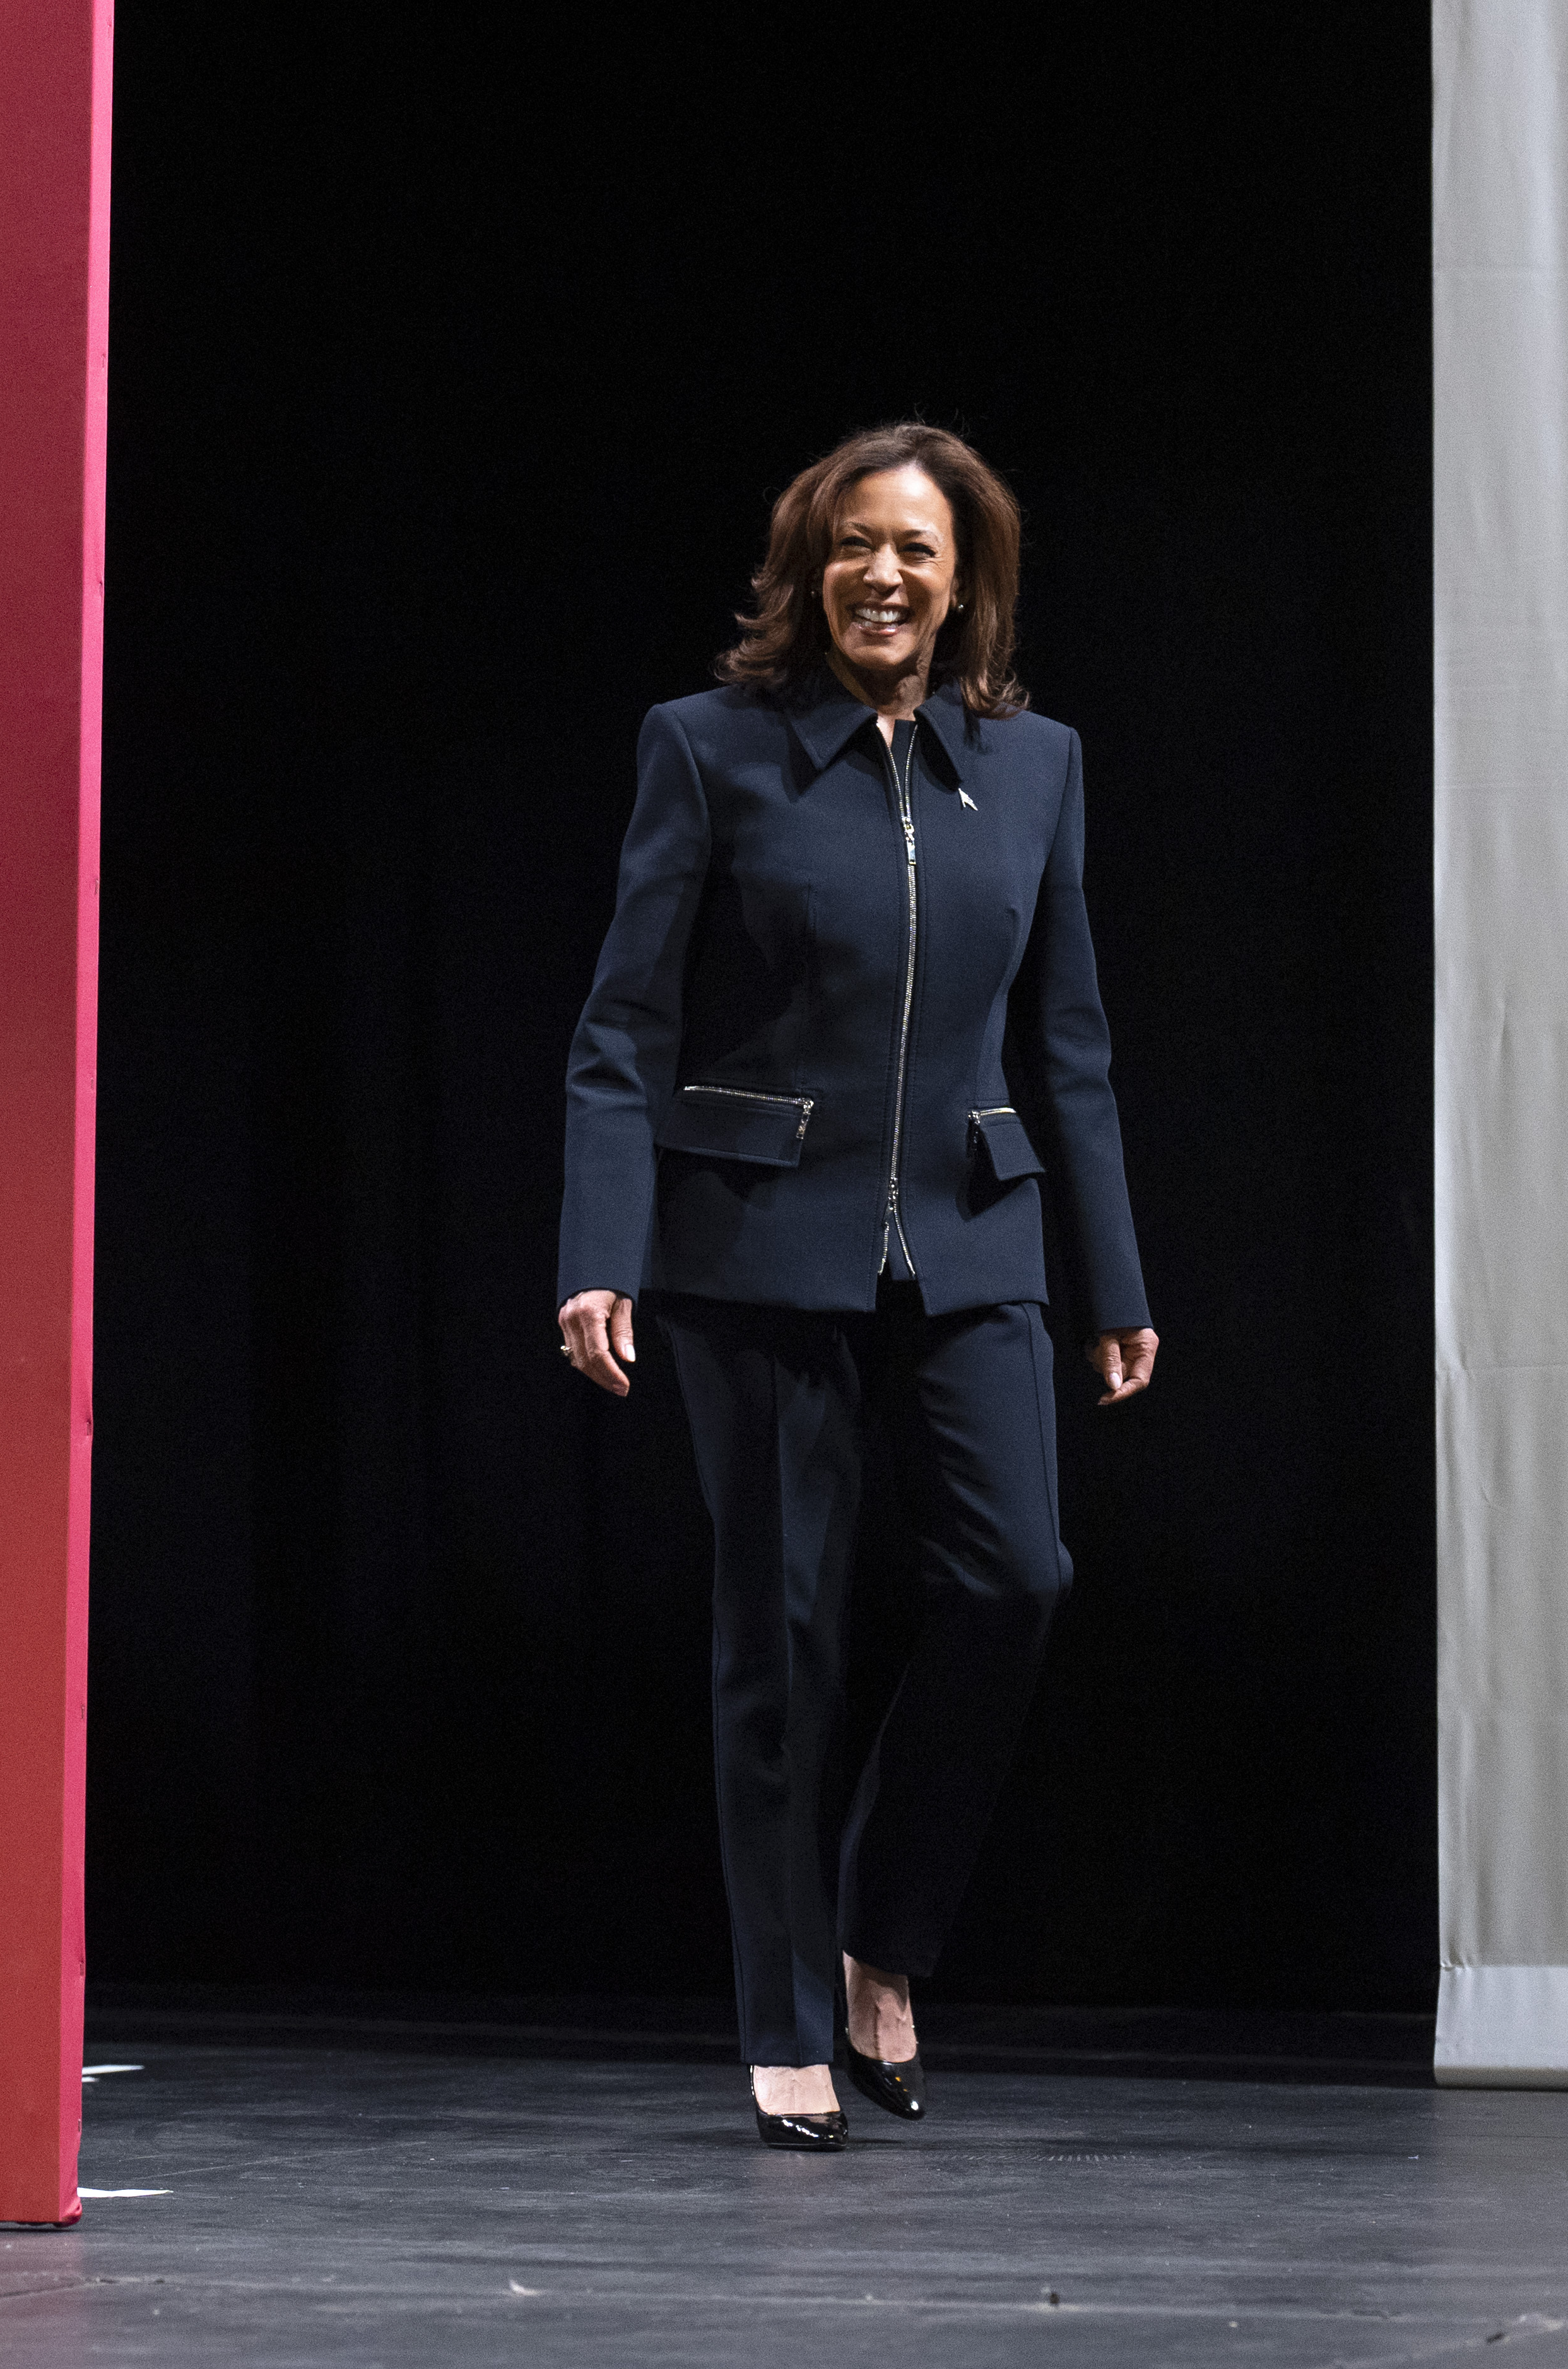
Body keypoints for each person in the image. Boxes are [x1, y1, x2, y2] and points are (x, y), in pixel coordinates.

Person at [556, 423, 1156, 2149]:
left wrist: (1110, 1271)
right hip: (756, 1244)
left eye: (919, 546)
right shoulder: (709, 750)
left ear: (966, 576)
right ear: (807, 570)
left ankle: (885, 1935)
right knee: (788, 1634)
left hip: (974, 1230)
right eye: (853, 545)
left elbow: (1073, 1040)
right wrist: (604, 1249)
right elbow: (623, 1026)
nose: (885, 573)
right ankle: (786, 2021)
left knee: (1018, 1575)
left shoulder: (1032, 765)